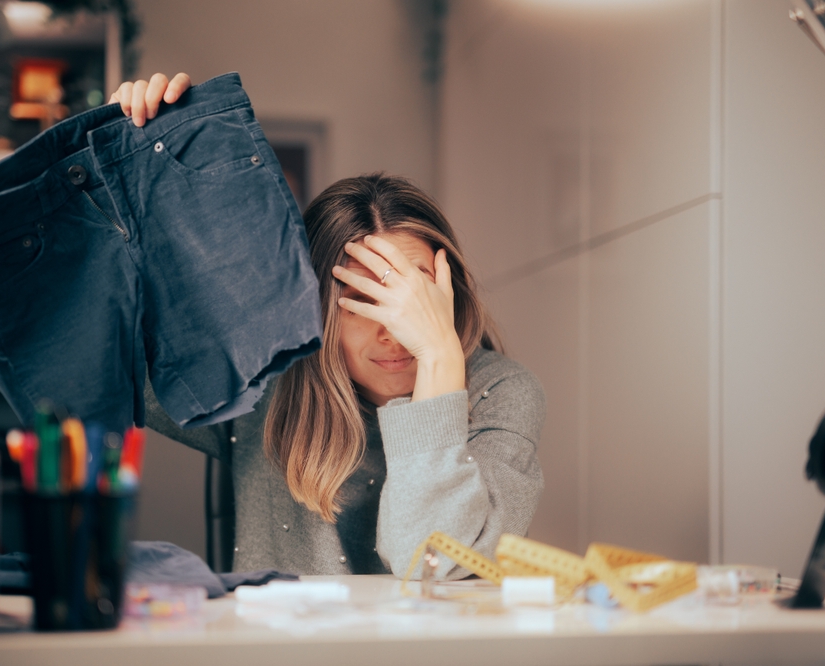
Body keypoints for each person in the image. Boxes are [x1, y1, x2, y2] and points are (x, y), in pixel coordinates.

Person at [113, 74, 545, 579]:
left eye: (413, 298)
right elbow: (93, 352)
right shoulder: (267, 382)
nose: (394, 330)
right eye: (361, 301)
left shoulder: (502, 392)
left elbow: (431, 565)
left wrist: (440, 358)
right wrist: (117, 170)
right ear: (317, 308)